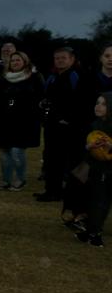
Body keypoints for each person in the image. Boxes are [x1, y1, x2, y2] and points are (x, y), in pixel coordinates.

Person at [36, 46, 93, 207]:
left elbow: (82, 101)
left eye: (63, 58)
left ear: (72, 59)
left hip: (70, 128)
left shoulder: (77, 76)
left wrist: (69, 119)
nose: (60, 61)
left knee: (71, 161)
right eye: (57, 58)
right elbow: (45, 97)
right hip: (51, 126)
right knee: (51, 159)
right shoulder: (52, 77)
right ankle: (52, 190)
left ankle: (72, 193)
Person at [0, 51, 43, 191]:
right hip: (4, 121)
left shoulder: (34, 77)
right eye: (13, 60)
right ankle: (6, 180)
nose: (15, 63)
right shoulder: (3, 78)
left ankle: (20, 179)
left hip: (25, 121)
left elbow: (41, 98)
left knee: (17, 151)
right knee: (5, 152)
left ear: (25, 62)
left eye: (18, 60)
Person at [76, 93, 112, 247]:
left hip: (107, 170)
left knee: (101, 201)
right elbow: (82, 147)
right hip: (93, 167)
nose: (98, 106)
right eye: (97, 103)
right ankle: (89, 230)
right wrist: (88, 147)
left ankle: (94, 234)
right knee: (93, 199)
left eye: (104, 104)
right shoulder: (94, 125)